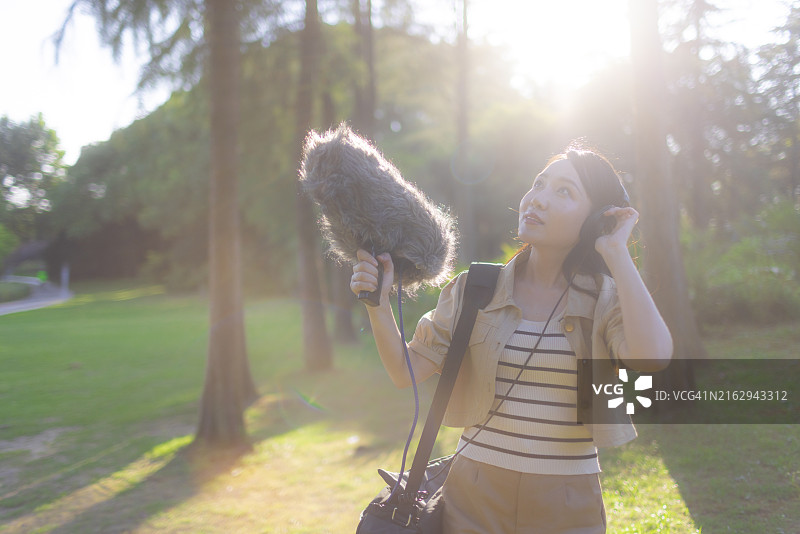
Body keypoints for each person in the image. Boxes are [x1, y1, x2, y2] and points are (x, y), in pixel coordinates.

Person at [350, 143, 673, 533]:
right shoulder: (476, 288)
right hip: (473, 494)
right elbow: (406, 371)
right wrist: (379, 303)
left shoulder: (605, 298)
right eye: (539, 184)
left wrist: (616, 251)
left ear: (594, 220)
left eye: (564, 191)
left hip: (568, 499)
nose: (538, 199)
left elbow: (652, 357)